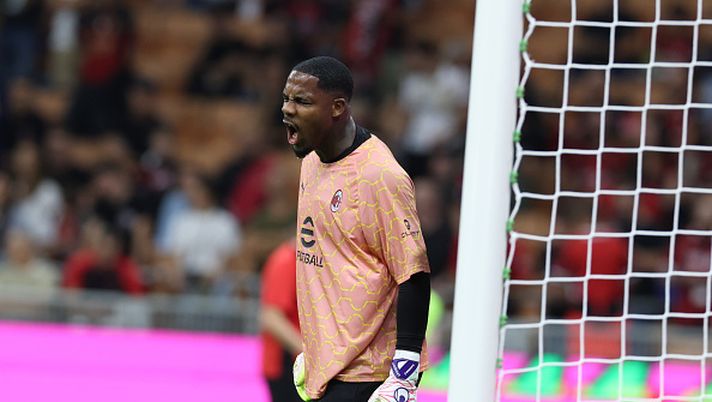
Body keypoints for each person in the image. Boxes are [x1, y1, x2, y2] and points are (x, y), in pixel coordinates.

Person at [282, 56, 431, 402]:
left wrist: (403, 374)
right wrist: (319, 348)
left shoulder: (380, 176)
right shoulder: (311, 161)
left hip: (372, 370)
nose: (288, 109)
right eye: (286, 99)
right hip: (332, 364)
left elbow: (414, 274)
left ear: (337, 107)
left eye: (301, 101)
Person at [260, 239, 303, 402]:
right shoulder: (287, 260)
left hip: (298, 364)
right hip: (286, 364)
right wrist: (309, 355)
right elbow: (271, 317)